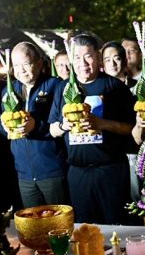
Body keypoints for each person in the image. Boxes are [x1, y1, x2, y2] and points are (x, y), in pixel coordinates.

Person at [49, 34, 136, 224]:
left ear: (97, 56)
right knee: (84, 228)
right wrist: (64, 125)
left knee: (116, 226)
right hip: (77, 171)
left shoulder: (114, 86)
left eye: (88, 56)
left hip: (110, 170)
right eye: (77, 57)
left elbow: (131, 128)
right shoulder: (63, 88)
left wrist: (102, 124)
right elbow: (53, 129)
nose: (83, 63)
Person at [0, 42, 67, 208]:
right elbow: (1, 127)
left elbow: (61, 123)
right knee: (32, 220)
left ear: (39, 63)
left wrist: (35, 126)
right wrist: (6, 128)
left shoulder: (55, 85)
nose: (21, 70)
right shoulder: (8, 91)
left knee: (59, 219)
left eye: (26, 64)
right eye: (16, 65)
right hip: (24, 174)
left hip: (52, 170)